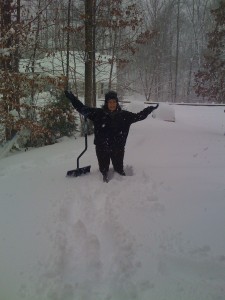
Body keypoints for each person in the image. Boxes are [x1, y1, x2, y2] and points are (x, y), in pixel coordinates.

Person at [65, 90, 159, 182]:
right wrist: (73, 99)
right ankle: (104, 179)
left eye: (114, 102)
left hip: (118, 148)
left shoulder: (124, 115)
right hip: (102, 148)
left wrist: (148, 109)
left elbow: (139, 116)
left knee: (119, 170)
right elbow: (82, 108)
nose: (112, 104)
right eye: (110, 102)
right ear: (106, 103)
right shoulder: (98, 114)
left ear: (117, 103)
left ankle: (124, 184)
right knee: (103, 170)